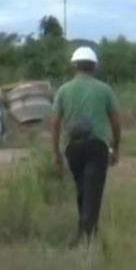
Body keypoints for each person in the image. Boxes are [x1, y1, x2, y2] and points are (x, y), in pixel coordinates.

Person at [52, 46, 121, 249]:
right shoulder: (105, 89)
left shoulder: (64, 90)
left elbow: (54, 123)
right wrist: (116, 147)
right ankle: (87, 235)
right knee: (94, 190)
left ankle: (85, 232)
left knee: (82, 189)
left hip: (72, 147)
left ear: (74, 66)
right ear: (94, 66)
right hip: (98, 146)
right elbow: (116, 121)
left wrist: (56, 152)